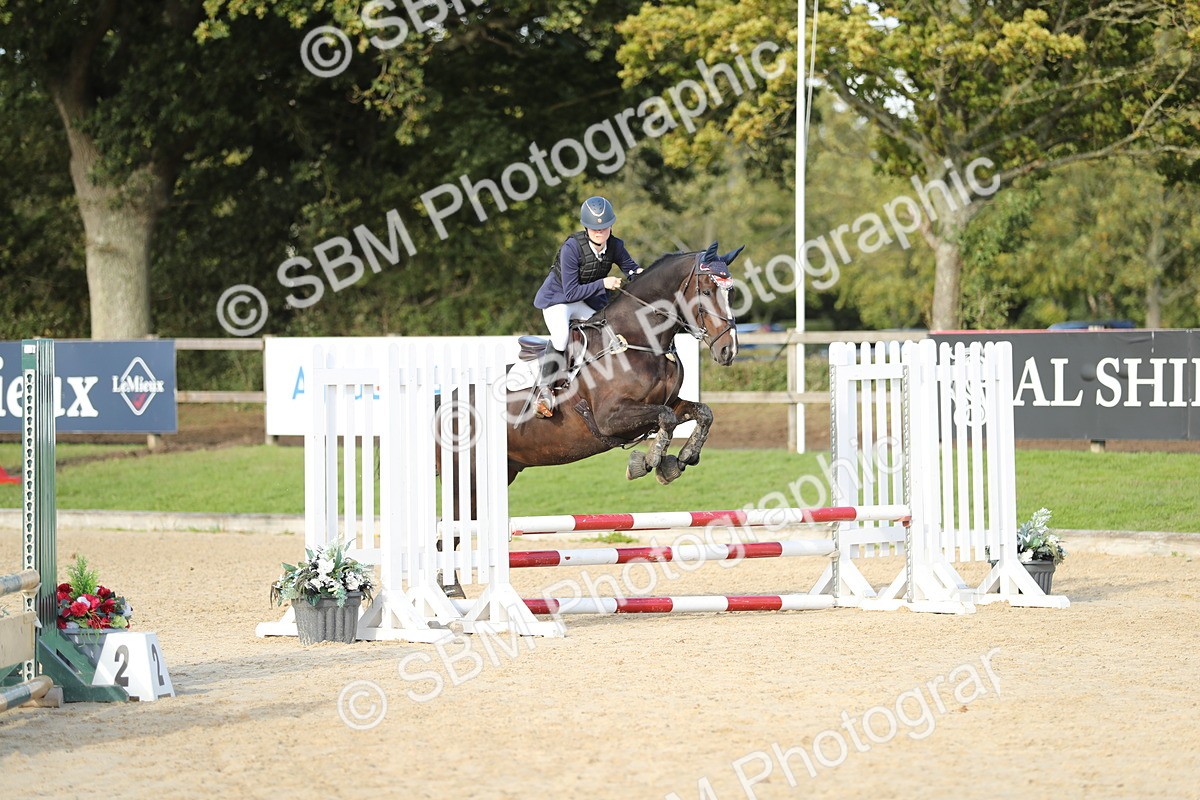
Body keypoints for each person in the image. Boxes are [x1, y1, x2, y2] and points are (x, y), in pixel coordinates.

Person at [531, 196, 641, 417]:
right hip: (558, 299)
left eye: (603, 227)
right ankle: (544, 389)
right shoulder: (572, 248)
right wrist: (603, 282)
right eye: (593, 228)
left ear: (610, 226)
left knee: (608, 331)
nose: (599, 232)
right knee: (561, 336)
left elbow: (632, 270)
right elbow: (571, 292)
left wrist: (647, 276)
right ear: (586, 228)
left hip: (585, 301)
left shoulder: (616, 246)